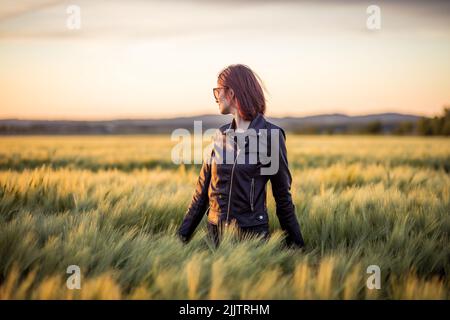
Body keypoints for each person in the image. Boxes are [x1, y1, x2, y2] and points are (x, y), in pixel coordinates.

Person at [178, 64, 304, 249]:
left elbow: (283, 198)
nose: (216, 97)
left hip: (251, 241)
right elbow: (201, 196)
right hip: (215, 240)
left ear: (232, 92)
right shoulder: (220, 135)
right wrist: (179, 241)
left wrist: (298, 250)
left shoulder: (271, 136)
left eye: (217, 91)